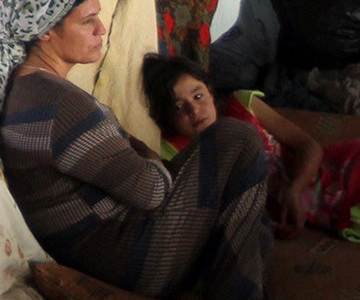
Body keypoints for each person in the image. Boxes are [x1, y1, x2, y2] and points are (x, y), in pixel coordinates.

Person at [0, 0, 273, 300]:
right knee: (236, 138)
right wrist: (141, 150)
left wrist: (138, 153)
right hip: (126, 259)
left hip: (102, 251)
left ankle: (215, 296)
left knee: (242, 202)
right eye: (88, 21)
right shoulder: (57, 104)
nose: (102, 29)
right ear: (46, 31)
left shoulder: (27, 91)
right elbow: (153, 191)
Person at [143, 53, 360, 242]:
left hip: (338, 168)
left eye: (199, 96)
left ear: (210, 91)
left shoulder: (242, 104)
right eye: (179, 108)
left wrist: (296, 188)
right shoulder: (176, 152)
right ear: (167, 118)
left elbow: (308, 146)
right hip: (328, 208)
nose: (195, 110)